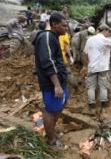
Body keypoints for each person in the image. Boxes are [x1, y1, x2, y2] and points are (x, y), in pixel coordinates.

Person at [33, 12, 69, 148]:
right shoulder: (47, 37)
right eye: (63, 25)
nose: (66, 28)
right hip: (51, 84)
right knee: (51, 110)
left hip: (59, 81)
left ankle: (50, 129)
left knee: (59, 106)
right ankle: (51, 140)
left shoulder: (53, 37)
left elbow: (56, 61)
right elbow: (47, 62)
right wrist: (57, 85)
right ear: (54, 24)